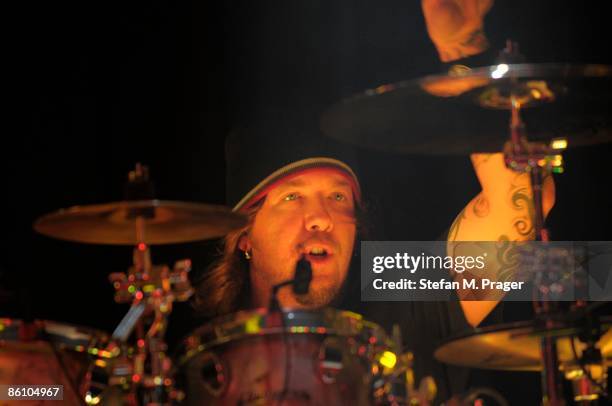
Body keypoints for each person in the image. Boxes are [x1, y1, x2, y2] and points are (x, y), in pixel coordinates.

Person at [194, 0, 555, 402]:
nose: (321, 218)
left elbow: (518, 207)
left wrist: (462, 49)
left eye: (337, 195)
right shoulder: (202, 368)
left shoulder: (400, 292)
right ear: (244, 236)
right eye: (292, 197)